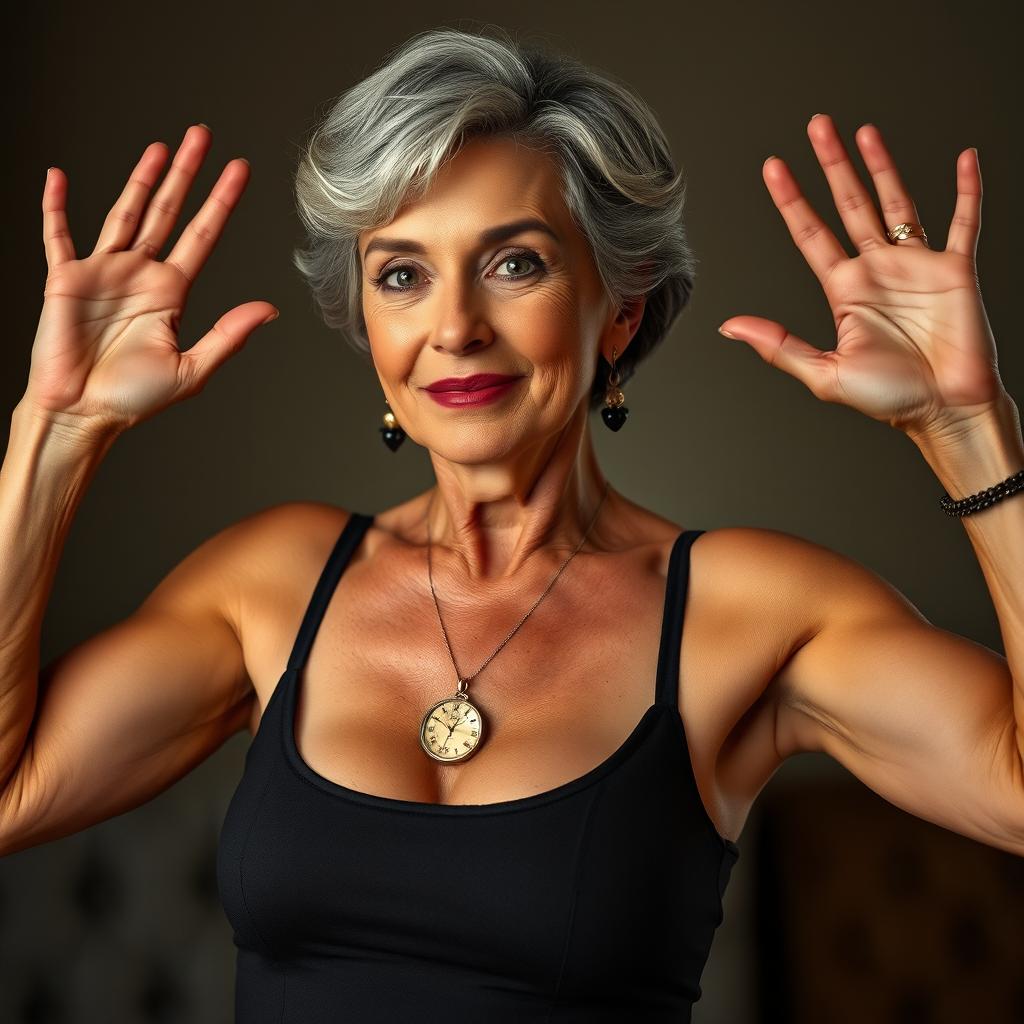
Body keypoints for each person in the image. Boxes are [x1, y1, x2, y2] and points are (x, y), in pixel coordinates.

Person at [1, 23, 1022, 1023]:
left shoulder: (753, 612)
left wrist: (966, 426)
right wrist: (55, 433)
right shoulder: (267, 582)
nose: (453, 327)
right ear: (368, 321)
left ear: (619, 306)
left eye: (514, 263)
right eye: (401, 274)